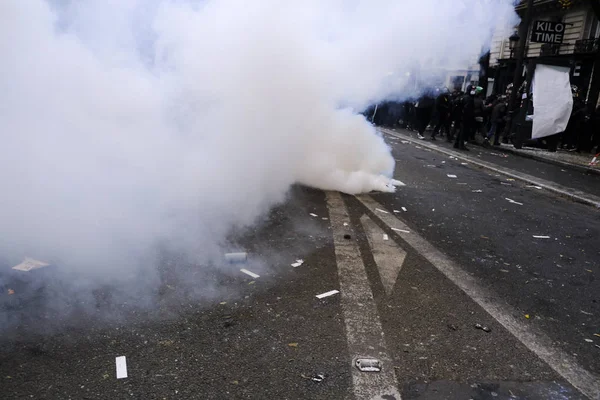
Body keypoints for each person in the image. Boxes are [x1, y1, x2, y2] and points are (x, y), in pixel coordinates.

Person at [454, 86, 474, 150]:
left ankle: (456, 143)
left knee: (461, 131)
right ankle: (461, 145)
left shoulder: (463, 96)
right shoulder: (469, 98)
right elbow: (467, 109)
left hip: (460, 116)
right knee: (464, 131)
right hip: (465, 117)